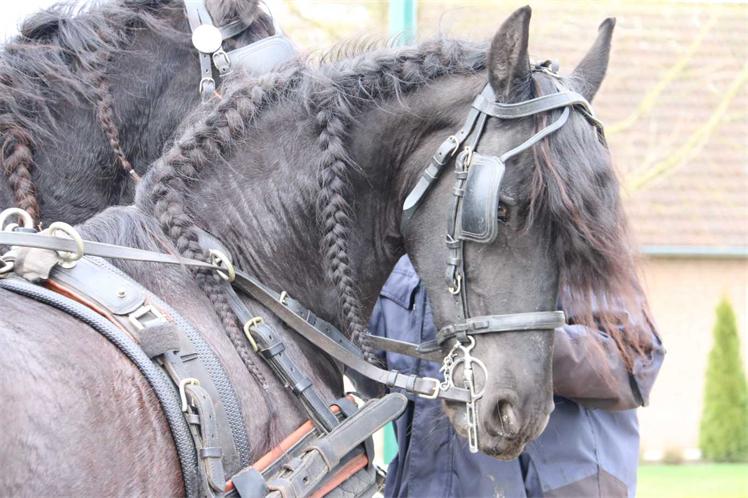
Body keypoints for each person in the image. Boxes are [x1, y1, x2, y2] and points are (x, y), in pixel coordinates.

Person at [369, 255, 665, 498]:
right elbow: (373, 374)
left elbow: (636, 362)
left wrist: (521, 345)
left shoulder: (569, 232)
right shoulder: (403, 258)